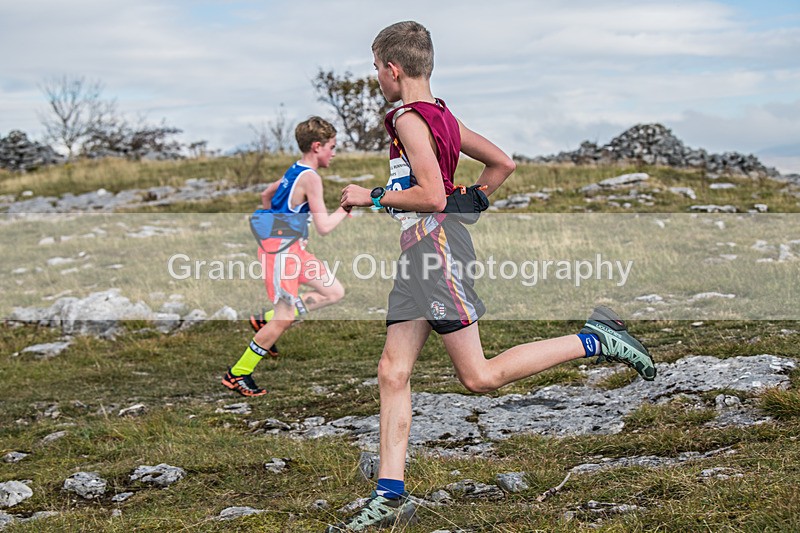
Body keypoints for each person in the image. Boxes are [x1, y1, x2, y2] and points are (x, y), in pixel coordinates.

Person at [330, 21, 656, 531]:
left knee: (479, 376)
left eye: (375, 67)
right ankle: (390, 496)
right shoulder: (442, 116)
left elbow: (430, 196)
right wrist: (471, 198)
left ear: (392, 69)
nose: (376, 76)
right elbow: (502, 164)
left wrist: (370, 196)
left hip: (436, 253)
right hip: (419, 253)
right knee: (392, 370)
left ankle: (596, 339)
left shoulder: (408, 119)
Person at [222, 116, 349, 397]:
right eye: (332, 146)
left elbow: (266, 195)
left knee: (334, 292)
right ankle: (238, 373)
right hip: (282, 255)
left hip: (294, 250)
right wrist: (346, 208)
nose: (334, 153)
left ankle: (263, 319)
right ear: (317, 146)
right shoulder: (311, 178)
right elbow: (324, 227)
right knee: (284, 318)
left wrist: (281, 225)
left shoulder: (295, 169)